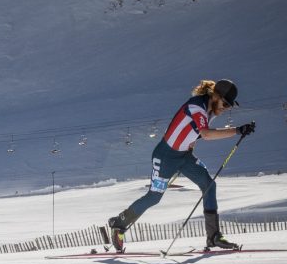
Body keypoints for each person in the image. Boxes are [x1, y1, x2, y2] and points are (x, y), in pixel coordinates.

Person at [108, 79, 256, 252]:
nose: (226, 108)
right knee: (154, 197)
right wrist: (237, 130)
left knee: (209, 185)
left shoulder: (210, 110)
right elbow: (207, 134)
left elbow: (195, 132)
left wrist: (192, 143)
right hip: (165, 157)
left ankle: (213, 237)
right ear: (216, 96)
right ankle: (119, 223)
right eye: (225, 103)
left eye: (229, 106)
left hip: (184, 156)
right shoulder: (197, 107)